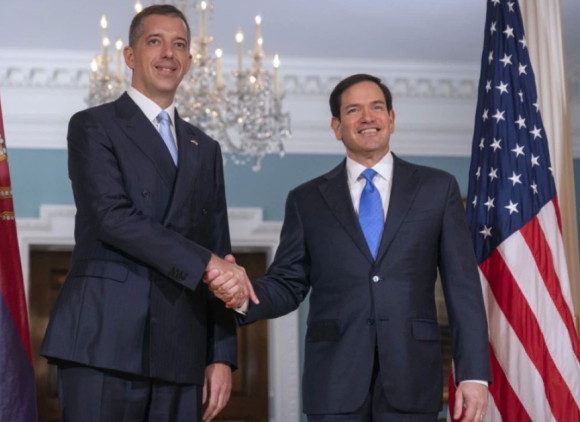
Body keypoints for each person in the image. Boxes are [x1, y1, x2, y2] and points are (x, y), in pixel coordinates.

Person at [208, 74, 492, 421]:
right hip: (333, 382)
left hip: (413, 376)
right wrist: (241, 296)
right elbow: (287, 283)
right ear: (337, 126)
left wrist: (473, 374)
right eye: (354, 110)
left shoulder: (437, 189)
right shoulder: (306, 200)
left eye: (376, 107)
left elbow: (463, 286)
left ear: (392, 119)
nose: (367, 117)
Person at [40, 5, 257, 422]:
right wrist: (207, 263)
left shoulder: (206, 149)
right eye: (155, 41)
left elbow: (219, 247)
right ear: (129, 55)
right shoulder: (92, 126)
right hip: (104, 339)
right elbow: (112, 217)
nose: (168, 53)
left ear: (190, 60)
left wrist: (220, 355)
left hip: (182, 347)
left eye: (180, 45)